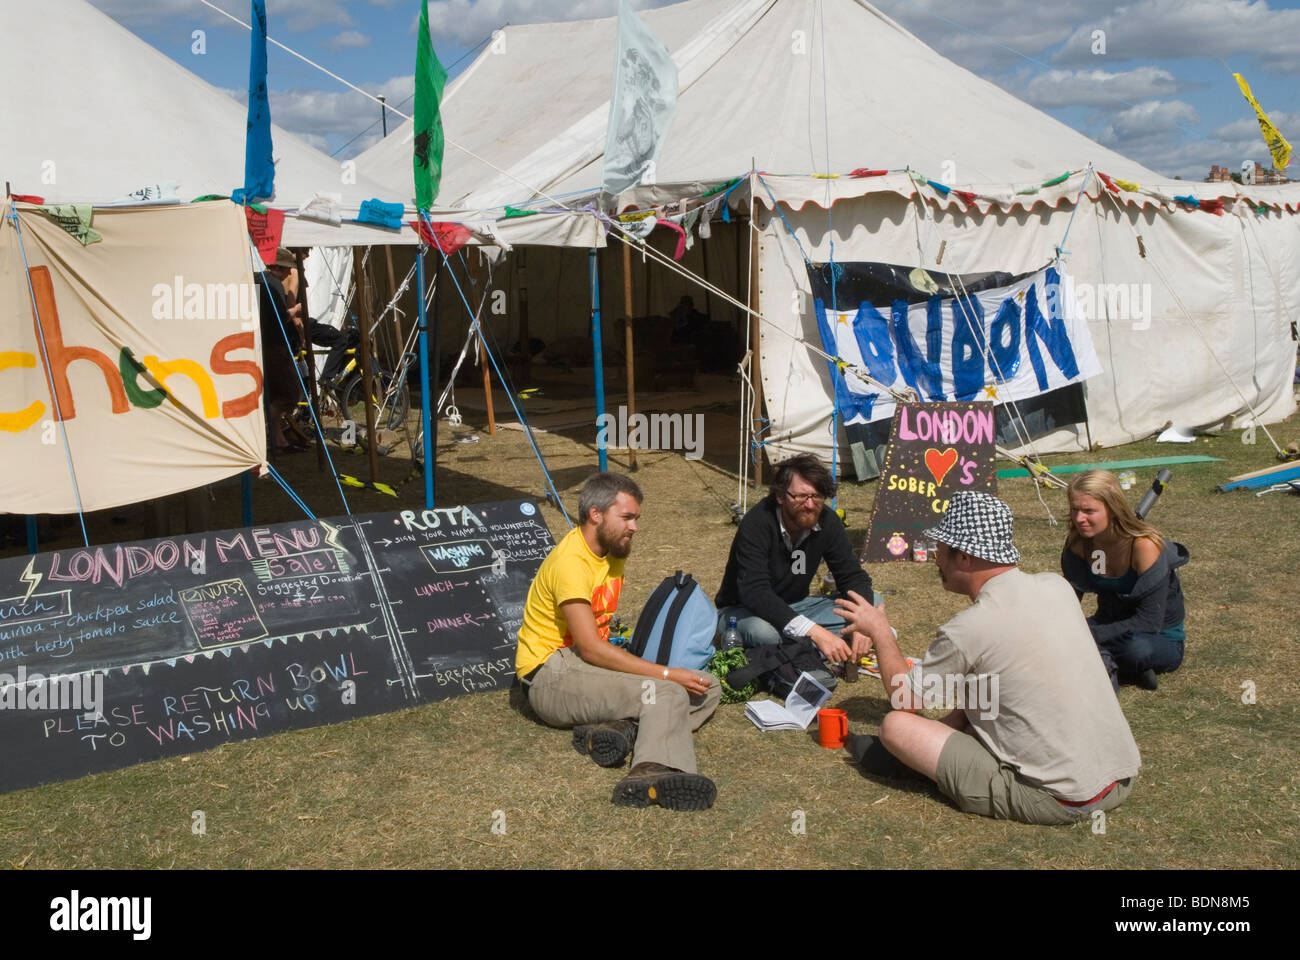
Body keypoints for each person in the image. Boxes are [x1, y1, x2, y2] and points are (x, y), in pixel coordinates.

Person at [834, 491, 1141, 826]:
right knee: (983, 687)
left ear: (965, 557)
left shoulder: (969, 627)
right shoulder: (1057, 586)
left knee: (896, 727)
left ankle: (916, 766)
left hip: (1062, 799)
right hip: (1118, 778)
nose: (936, 559)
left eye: (941, 550)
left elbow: (905, 700)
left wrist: (880, 632)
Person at [516, 472, 721, 810]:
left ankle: (620, 729)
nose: (634, 527)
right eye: (626, 517)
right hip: (549, 676)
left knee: (707, 686)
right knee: (667, 691)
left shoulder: (612, 552)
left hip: (583, 666)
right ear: (595, 514)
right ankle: (652, 770)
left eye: (636, 518)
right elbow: (591, 647)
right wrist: (666, 674)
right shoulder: (571, 563)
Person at [714, 454, 873, 688]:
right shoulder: (757, 523)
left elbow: (852, 576)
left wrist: (863, 623)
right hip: (745, 612)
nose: (809, 505)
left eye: (816, 496)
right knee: (764, 634)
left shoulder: (827, 521)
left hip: (798, 607)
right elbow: (754, 592)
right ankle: (814, 646)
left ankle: (801, 648)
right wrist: (815, 631)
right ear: (780, 496)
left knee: (870, 603)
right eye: (800, 497)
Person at [1060, 469, 1188, 691]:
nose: (1079, 518)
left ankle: (1106, 660)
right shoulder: (1080, 544)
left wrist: (1088, 635)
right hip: (1107, 624)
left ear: (1112, 508)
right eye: (1075, 509)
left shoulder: (1144, 546)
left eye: (1089, 511)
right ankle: (1121, 666)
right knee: (1054, 639)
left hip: (1155, 638)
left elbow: (1148, 622)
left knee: (1136, 650)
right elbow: (1068, 605)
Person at [257, 248, 305, 453]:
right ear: (278, 267)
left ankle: (278, 439)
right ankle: (269, 429)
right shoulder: (273, 284)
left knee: (275, 394)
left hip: (262, 345)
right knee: (289, 394)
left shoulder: (257, 280)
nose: (288, 274)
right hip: (276, 347)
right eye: (286, 270)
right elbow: (280, 317)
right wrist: (295, 310)